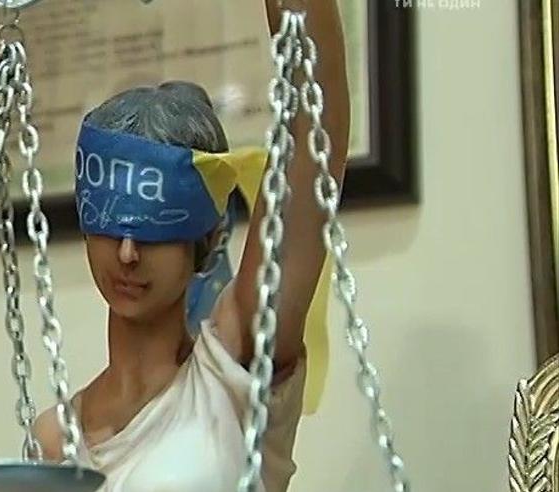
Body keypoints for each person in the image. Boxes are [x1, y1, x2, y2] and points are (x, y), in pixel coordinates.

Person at [34, 1, 349, 491]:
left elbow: (315, 114)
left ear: (208, 235)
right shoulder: (53, 438)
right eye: (111, 224)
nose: (128, 254)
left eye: (158, 228)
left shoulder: (231, 375)